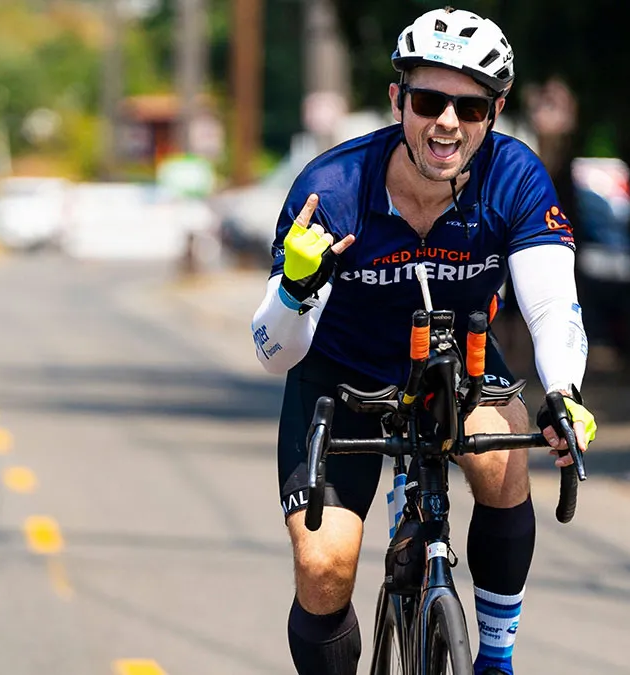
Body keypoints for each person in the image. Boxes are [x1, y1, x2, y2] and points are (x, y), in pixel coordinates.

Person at [249, 8, 597, 675]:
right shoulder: (331, 190)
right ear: (397, 101)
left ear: (495, 112)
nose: (447, 123)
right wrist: (294, 287)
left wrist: (564, 392)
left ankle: (494, 658)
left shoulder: (516, 178)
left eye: (469, 107)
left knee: (503, 455)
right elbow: (273, 353)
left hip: (456, 364)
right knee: (324, 567)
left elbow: (553, 302)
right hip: (339, 374)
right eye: (430, 100)